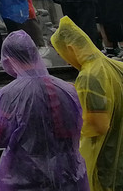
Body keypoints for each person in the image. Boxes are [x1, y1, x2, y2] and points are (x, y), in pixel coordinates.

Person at [0, 30, 87, 191]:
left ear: (9, 60)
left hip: (25, 176)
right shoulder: (67, 89)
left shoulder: (9, 94)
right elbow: (78, 125)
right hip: (69, 173)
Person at [51, 16, 123, 191]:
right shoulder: (110, 64)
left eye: (62, 53)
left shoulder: (89, 76)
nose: (66, 60)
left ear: (71, 48)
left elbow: (97, 125)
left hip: (106, 151)